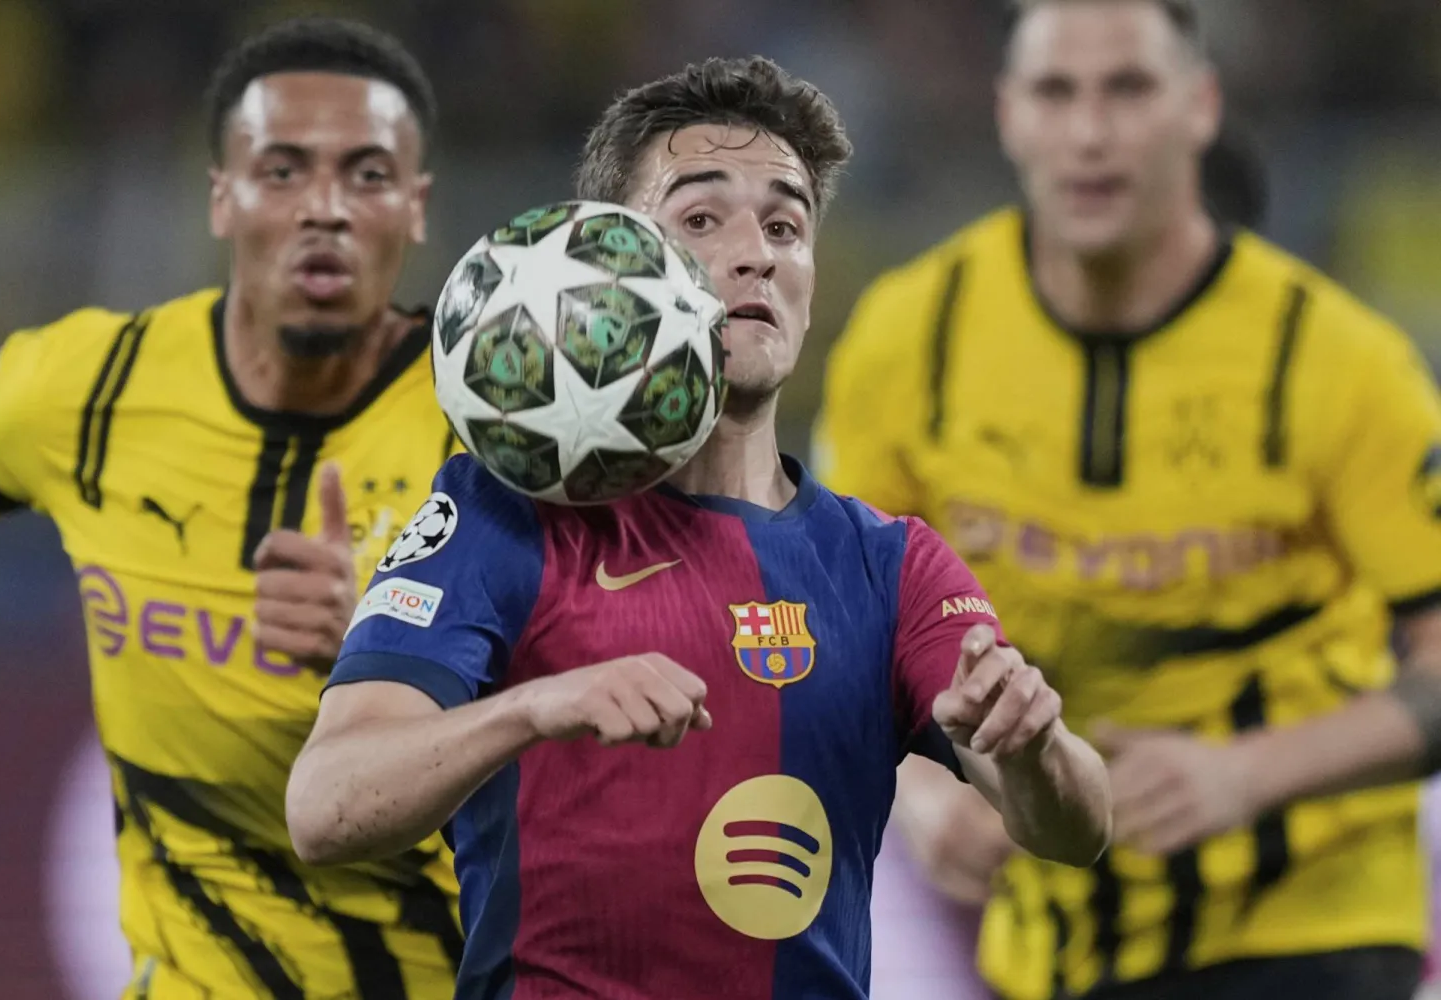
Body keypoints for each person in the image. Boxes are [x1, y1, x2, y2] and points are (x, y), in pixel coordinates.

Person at [285, 55, 1113, 1000]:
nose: (757, 253)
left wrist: (1032, 746)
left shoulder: (890, 564)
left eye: (785, 226)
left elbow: (1077, 827)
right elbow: (326, 806)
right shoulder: (503, 512)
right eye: (702, 220)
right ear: (613, 262)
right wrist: (533, 709)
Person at [815, 2, 1441, 999]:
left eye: (1130, 88)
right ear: (1009, 113)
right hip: (1047, 943)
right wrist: (924, 795)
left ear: (1201, 106)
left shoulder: (1336, 362)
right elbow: (839, 633)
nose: (1091, 132)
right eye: (1057, 92)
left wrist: (1248, 774)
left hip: (1309, 922)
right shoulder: (909, 341)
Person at [0, 17, 467, 998]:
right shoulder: (90, 388)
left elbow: (604, 727)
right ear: (221, 197)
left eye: (366, 174)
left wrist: (388, 654)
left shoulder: (492, 429)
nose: (325, 209)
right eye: (282, 171)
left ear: (417, 205)